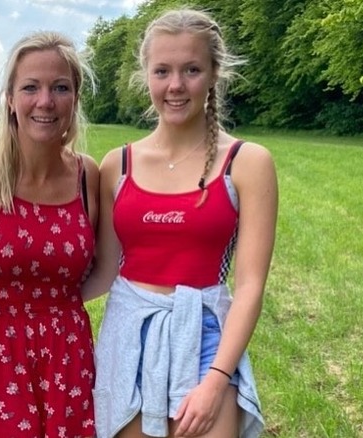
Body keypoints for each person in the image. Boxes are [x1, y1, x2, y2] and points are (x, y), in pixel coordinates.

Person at [83, 8, 277, 438]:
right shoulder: (118, 165)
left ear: (213, 74)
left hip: (207, 339)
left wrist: (216, 381)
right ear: (146, 76)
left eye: (191, 69)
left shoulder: (247, 163)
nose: (175, 85)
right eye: (162, 71)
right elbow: (103, 271)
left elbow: (249, 287)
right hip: (130, 341)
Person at [0, 30, 99, 438]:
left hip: (69, 354)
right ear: (10, 98)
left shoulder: (88, 175)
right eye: (30, 87)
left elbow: (103, 266)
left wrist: (55, 306)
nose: (45, 101)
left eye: (60, 88)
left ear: (75, 99)